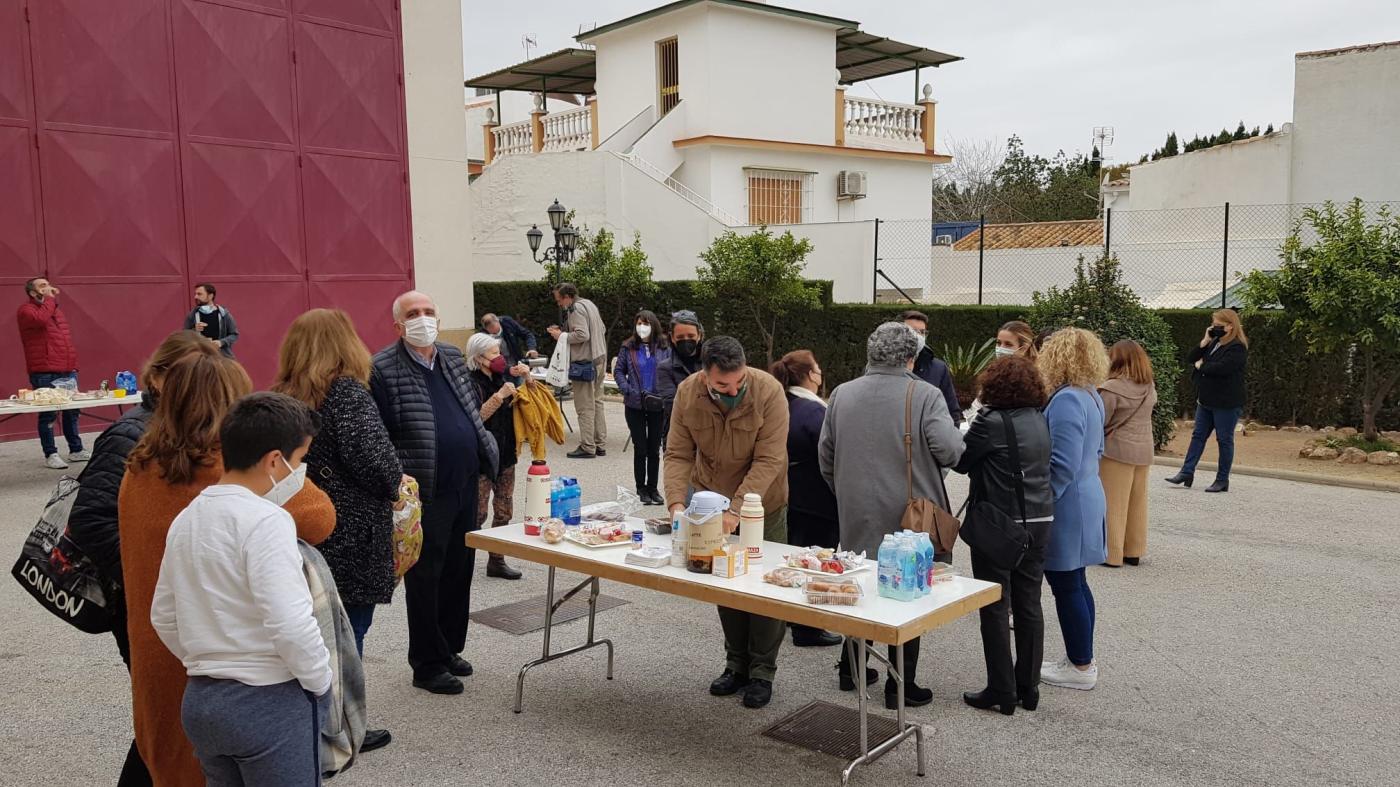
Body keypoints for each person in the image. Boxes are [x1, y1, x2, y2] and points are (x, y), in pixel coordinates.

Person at [119, 353, 336, 785]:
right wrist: (320, 682)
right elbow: (320, 518)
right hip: (257, 684)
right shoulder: (240, 480)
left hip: (181, 665)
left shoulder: (139, 468)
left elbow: (162, 609)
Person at [65, 330, 216, 786]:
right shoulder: (132, 432)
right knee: (167, 723)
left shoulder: (188, 431)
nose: (196, 385)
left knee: (173, 722)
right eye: (186, 374)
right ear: (157, 376)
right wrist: (146, 576)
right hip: (146, 605)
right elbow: (90, 518)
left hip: (170, 604)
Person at [272, 308, 405, 754]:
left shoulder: (283, 395)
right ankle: (343, 727)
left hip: (302, 527)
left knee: (311, 630)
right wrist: (396, 480)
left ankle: (306, 722)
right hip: (351, 533)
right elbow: (379, 465)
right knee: (348, 634)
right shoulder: (346, 393)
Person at [819, 322, 964, 709]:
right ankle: (900, 686)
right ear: (911, 358)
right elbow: (951, 451)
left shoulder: (841, 394)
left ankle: (851, 669)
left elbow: (826, 457)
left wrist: (848, 493)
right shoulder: (925, 395)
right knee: (908, 592)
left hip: (856, 510)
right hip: (910, 516)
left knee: (859, 585)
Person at [370, 290, 499, 695]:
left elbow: (468, 410)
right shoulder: (382, 368)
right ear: (398, 324)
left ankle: (448, 649)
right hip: (424, 490)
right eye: (413, 313)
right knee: (427, 577)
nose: (422, 319)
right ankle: (426, 663)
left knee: (460, 570)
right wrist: (398, 486)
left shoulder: (451, 356)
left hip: (465, 482)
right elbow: (382, 434)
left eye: (428, 312)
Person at [664, 336, 789, 709]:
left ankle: (763, 672)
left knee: (764, 589)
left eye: (738, 383)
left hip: (763, 503)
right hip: (709, 501)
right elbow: (678, 453)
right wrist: (675, 504)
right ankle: (736, 665)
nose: (732, 390)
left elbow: (769, 459)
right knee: (726, 584)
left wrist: (737, 510)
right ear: (705, 376)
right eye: (722, 386)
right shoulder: (687, 394)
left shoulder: (769, 391)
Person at [953, 356, 1054, 716]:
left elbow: (960, 461)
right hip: (1041, 519)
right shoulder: (1039, 418)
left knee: (995, 605)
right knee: (1029, 603)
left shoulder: (991, 422)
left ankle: (1001, 688)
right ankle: (1028, 687)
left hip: (1001, 522)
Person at [1037, 327, 1109, 691]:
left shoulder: (1067, 399)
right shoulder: (1091, 394)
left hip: (1069, 503)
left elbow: (1061, 463)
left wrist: (1041, 502)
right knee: (1075, 582)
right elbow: (1095, 450)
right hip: (1086, 493)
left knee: (1066, 583)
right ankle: (1081, 657)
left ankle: (1080, 665)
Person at [770, 349, 841, 649]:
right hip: (817, 498)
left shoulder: (782, 403)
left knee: (793, 555)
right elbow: (830, 453)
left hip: (788, 493)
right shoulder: (814, 411)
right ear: (811, 375)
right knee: (813, 560)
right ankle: (807, 628)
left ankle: (788, 615)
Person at [464, 331, 529, 580]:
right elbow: (475, 418)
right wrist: (499, 396)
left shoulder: (501, 376)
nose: (500, 357)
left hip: (506, 455)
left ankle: (497, 560)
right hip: (481, 459)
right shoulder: (470, 382)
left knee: (504, 510)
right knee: (477, 513)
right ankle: (463, 559)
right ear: (479, 358)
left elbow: (527, 400)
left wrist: (526, 376)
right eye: (494, 353)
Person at [1166, 309, 1249, 493]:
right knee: (1198, 437)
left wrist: (1202, 366)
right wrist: (1205, 341)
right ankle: (1186, 472)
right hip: (1206, 400)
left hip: (1226, 403)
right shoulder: (1214, 343)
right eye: (1213, 325)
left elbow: (1222, 368)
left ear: (1230, 326)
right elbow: (1191, 358)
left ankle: (1222, 479)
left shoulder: (1237, 347)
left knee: (1224, 440)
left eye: (1219, 325)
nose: (1215, 328)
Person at [17, 277, 87, 469]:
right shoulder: (26, 311)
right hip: (44, 371)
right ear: (33, 293)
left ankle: (76, 449)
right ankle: (51, 453)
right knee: (48, 414)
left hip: (66, 368)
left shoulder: (55, 310)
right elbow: (40, 320)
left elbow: (64, 341)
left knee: (72, 411)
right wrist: (49, 300)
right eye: (42, 286)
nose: (48, 288)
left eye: (48, 284)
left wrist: (73, 365)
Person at [1099, 340, 1158, 566]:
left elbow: (1101, 420)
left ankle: (1112, 554)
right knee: (1137, 502)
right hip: (1144, 449)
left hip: (1116, 450)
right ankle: (1133, 550)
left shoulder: (1111, 389)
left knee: (1113, 503)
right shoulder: (1149, 386)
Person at [614, 310, 672, 505]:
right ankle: (641, 488)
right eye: (638, 323)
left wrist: (667, 392)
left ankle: (653, 487)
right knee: (640, 447)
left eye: (645, 323)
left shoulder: (665, 346)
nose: (642, 327)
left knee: (654, 448)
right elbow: (619, 371)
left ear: (653, 324)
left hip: (657, 403)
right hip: (635, 404)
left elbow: (671, 370)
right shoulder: (627, 347)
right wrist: (627, 389)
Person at [547, 283, 608, 458]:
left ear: (567, 297)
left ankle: (588, 446)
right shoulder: (590, 304)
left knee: (584, 406)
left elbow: (582, 335)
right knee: (597, 402)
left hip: (585, 363)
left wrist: (561, 336)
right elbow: (600, 329)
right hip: (599, 359)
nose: (559, 303)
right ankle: (599, 444)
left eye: (559, 300)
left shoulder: (575, 309)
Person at [901, 310, 963, 425]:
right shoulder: (883, 365)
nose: (918, 336)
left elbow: (951, 410)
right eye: (913, 331)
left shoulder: (938, 368)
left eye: (922, 332)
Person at [655, 310, 704, 447]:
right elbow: (672, 404)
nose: (686, 340)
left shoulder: (712, 363)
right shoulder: (665, 368)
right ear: (672, 338)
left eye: (691, 335)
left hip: (710, 438)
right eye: (680, 336)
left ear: (699, 335)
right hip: (677, 437)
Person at [184, 283, 239, 358]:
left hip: (222, 357)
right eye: (195, 294)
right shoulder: (193, 315)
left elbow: (234, 335)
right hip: (199, 357)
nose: (195, 297)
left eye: (199, 294)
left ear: (210, 296)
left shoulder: (224, 314)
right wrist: (194, 330)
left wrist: (221, 342)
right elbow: (184, 335)